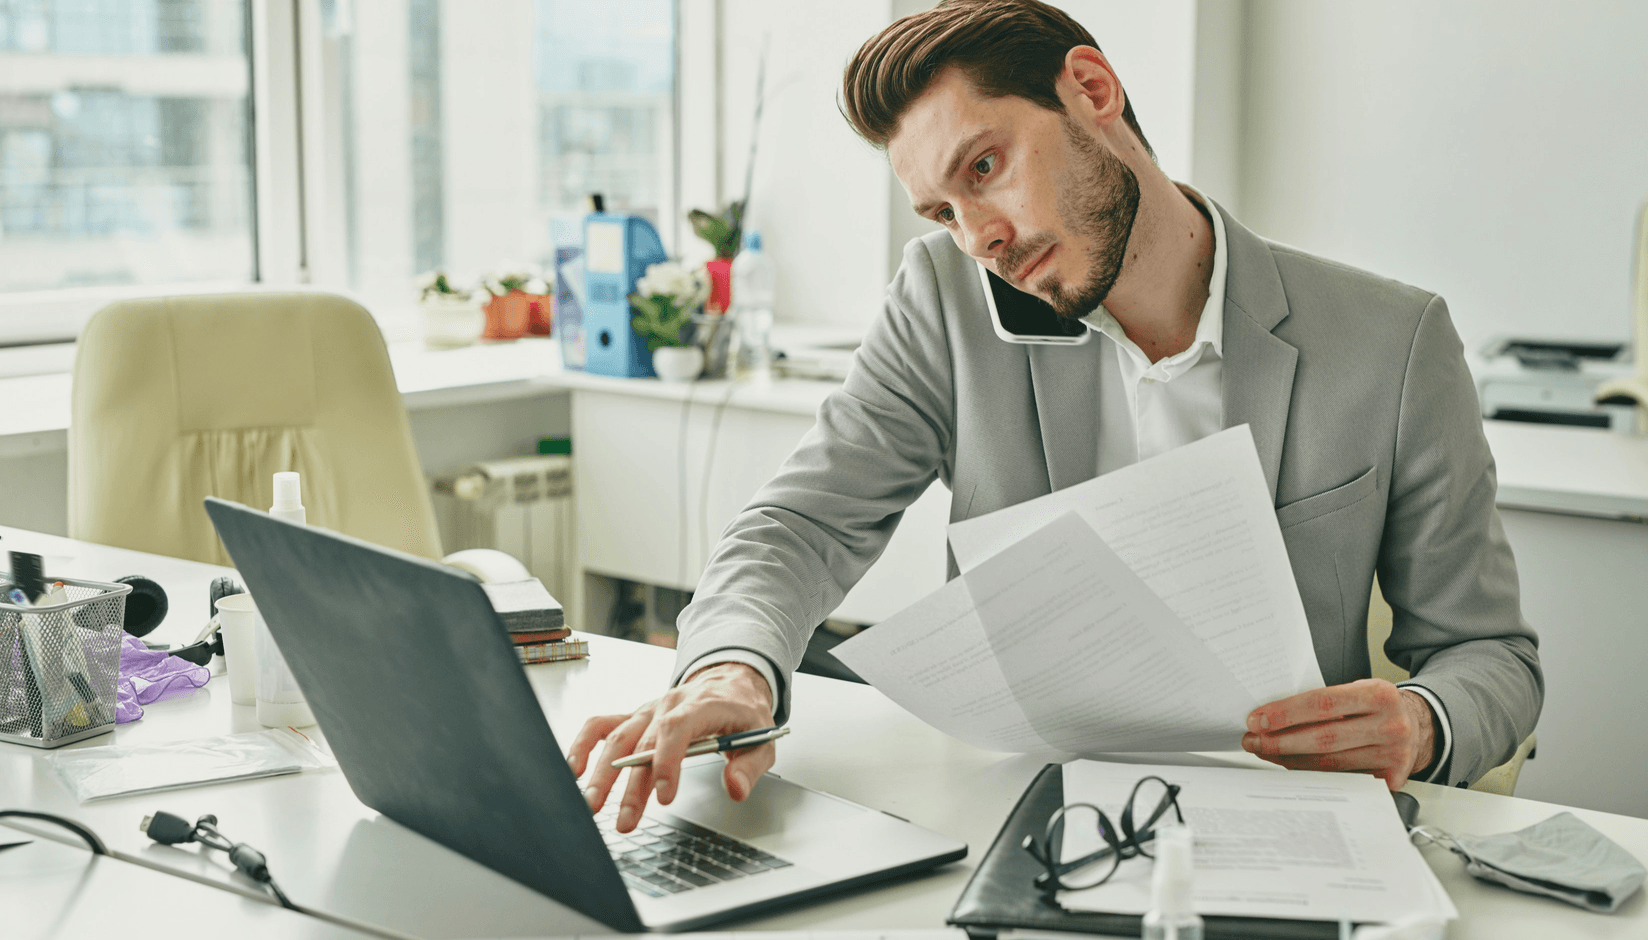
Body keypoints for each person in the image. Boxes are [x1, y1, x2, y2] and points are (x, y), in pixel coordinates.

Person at [570, 0, 1543, 833]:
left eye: (985, 166)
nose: (979, 236)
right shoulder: (945, 307)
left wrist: (1419, 720)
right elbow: (800, 523)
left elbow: (1487, 652)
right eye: (943, 212)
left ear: (1090, 90)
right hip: (1021, 817)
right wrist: (730, 670)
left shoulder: (1392, 340)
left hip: (1286, 823)